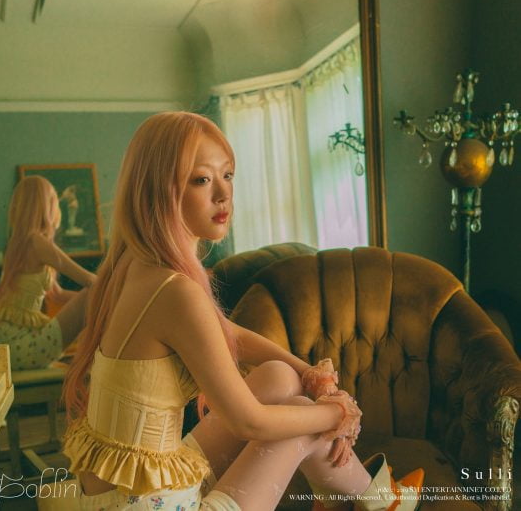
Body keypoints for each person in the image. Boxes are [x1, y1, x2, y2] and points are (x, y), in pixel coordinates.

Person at [61, 112, 424, 511]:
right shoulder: (175, 292)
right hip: (149, 503)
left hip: (126, 491)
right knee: (301, 420)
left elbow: (224, 332)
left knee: (279, 376)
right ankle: (380, 502)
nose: (223, 194)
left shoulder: (132, 264)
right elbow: (248, 422)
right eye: (201, 180)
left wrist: (311, 374)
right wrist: (337, 413)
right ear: (159, 191)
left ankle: (352, 497)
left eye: (228, 175)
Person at [0, 175, 96, 370]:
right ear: (48, 207)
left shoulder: (18, 243)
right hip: (27, 346)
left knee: (95, 297)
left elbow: (57, 294)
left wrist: (91, 304)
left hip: (13, 347)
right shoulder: (37, 242)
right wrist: (119, 287)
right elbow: (89, 280)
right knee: (95, 292)